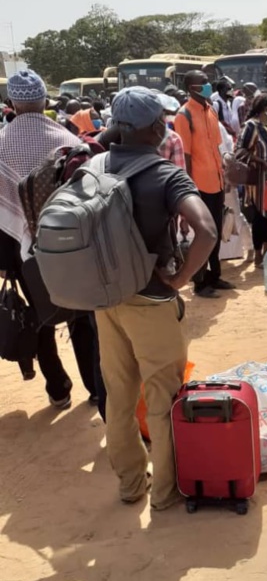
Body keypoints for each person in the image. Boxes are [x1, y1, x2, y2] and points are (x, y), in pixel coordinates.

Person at [96, 87, 217, 510]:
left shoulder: (94, 166)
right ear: (151, 129)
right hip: (151, 299)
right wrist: (182, 278)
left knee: (119, 394)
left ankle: (131, 484)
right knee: (163, 397)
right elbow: (206, 231)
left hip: (106, 301)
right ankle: (164, 492)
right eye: (161, 121)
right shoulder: (165, 174)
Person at [0, 70, 97, 408]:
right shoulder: (68, 140)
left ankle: (58, 388)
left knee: (41, 317)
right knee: (84, 317)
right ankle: (96, 388)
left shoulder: (1, 146)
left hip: (23, 250)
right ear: (44, 101)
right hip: (72, 244)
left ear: (12, 103)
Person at [174, 71, 233, 298]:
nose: (208, 85)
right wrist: (189, 189)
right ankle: (199, 283)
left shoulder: (211, 110)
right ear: (191, 87)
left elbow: (217, 148)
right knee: (203, 234)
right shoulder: (184, 115)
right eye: (204, 83)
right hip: (198, 184)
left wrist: (224, 175)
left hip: (216, 180)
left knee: (216, 231)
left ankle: (214, 276)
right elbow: (185, 156)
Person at [237, 94, 267, 266]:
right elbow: (239, 151)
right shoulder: (251, 126)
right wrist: (259, 161)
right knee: (260, 218)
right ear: (265, 108)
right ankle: (258, 255)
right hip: (258, 181)